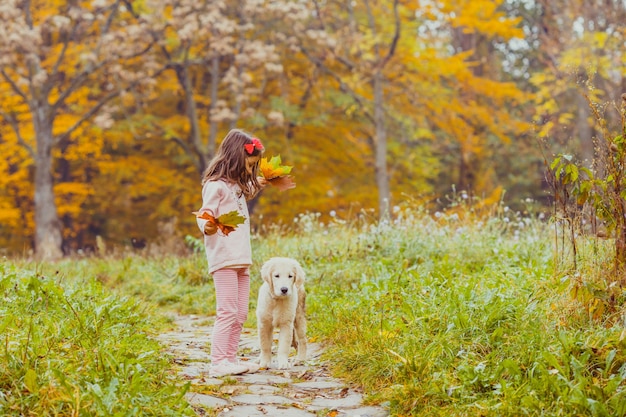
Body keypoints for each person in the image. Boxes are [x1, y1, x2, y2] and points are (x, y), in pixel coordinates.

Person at [196, 129, 266, 377]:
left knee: (241, 313)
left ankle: (231, 358)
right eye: (250, 164)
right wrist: (207, 225)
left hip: (241, 259)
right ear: (237, 157)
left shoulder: (236, 186)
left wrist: (263, 180)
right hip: (224, 258)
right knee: (227, 311)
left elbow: (246, 190)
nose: (251, 169)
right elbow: (205, 214)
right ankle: (218, 362)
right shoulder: (215, 186)